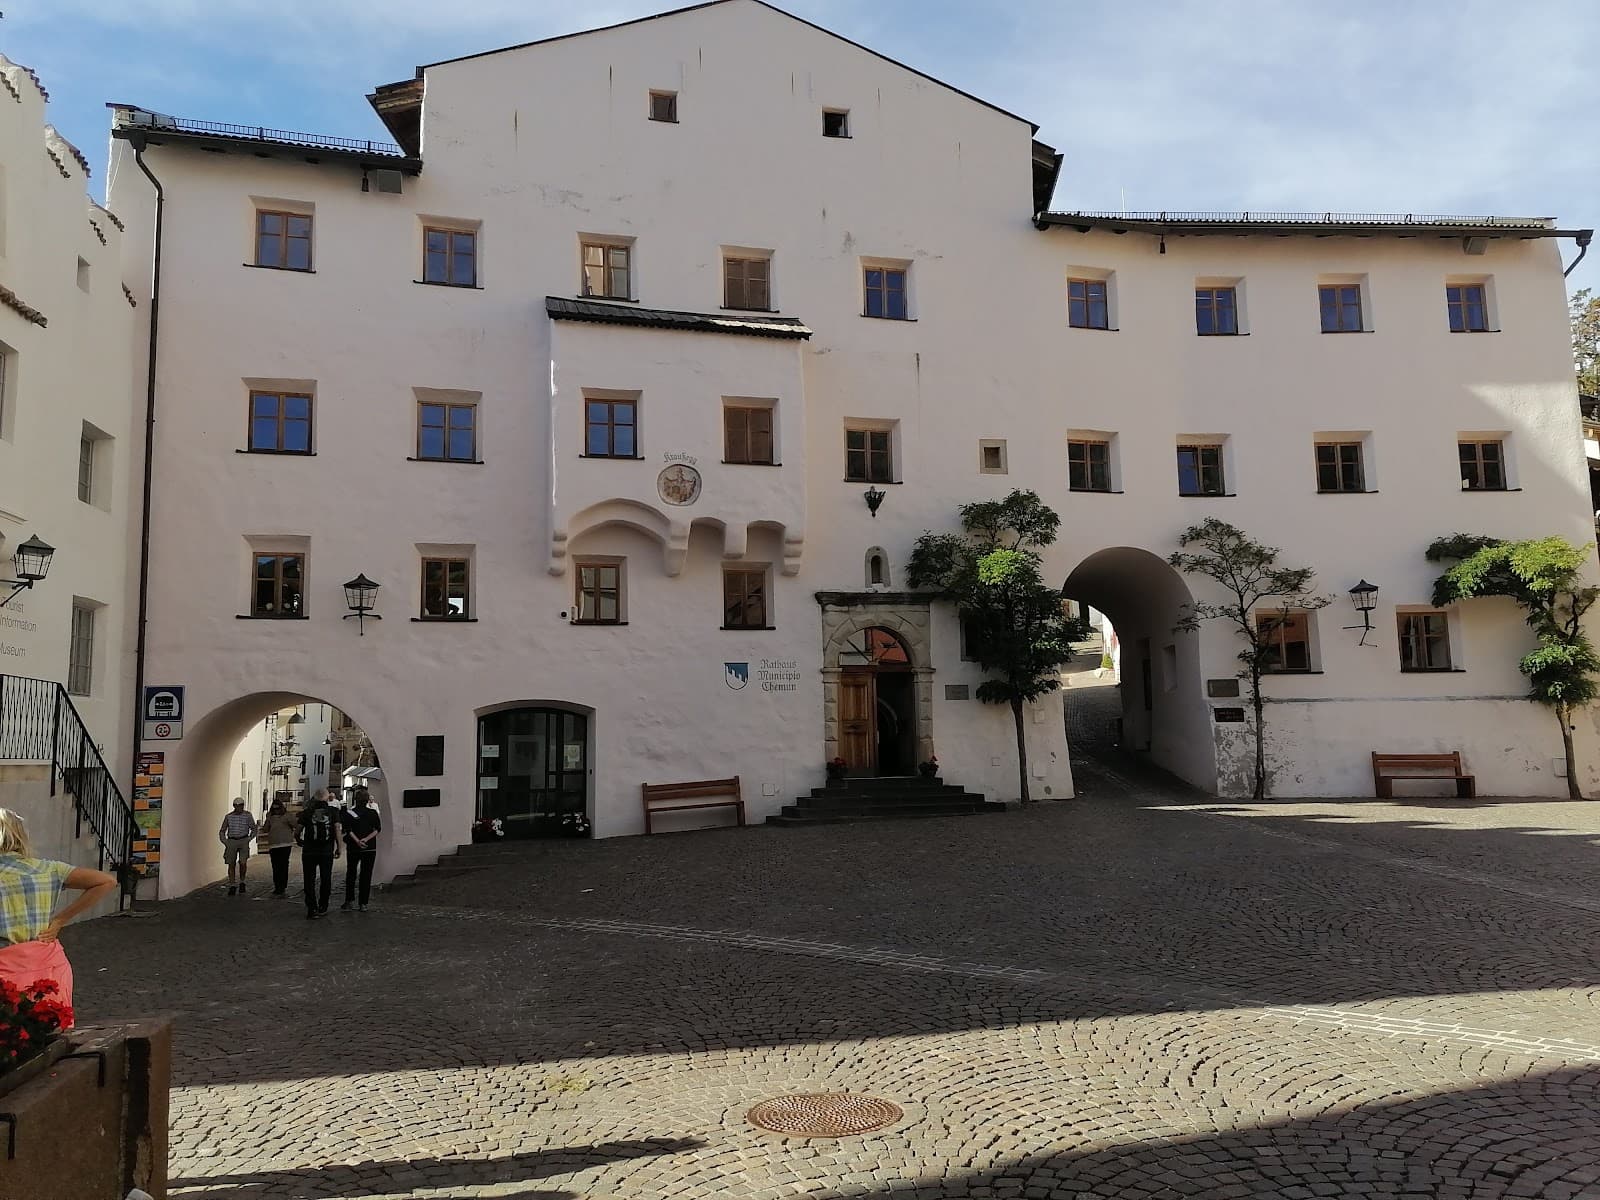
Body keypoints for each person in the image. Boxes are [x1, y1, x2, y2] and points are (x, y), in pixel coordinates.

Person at [0, 808, 117, 1022]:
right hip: (49, 966)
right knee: (52, 1036)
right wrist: (60, 920)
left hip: (5, 971)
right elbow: (106, 881)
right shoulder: (48, 869)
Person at [295, 790, 341, 920]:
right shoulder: (333, 812)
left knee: (309, 879)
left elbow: (297, 831)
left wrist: (299, 840)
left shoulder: (307, 812)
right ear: (327, 798)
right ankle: (323, 906)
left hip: (309, 850)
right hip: (326, 851)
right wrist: (339, 847)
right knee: (326, 878)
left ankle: (312, 908)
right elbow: (337, 829)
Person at [340, 789, 381, 912]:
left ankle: (349, 900)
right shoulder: (373, 813)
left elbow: (348, 830)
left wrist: (357, 841)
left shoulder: (349, 813)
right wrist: (366, 839)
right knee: (366, 875)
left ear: (355, 800)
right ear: (367, 800)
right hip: (370, 848)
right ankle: (363, 903)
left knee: (351, 873)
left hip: (354, 847)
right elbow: (377, 829)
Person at [217, 797, 258, 896]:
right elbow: (222, 830)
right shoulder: (229, 817)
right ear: (234, 806)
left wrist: (250, 838)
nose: (239, 808)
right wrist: (225, 841)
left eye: (241, 806)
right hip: (232, 840)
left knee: (243, 862)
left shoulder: (248, 816)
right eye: (237, 806)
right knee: (231, 863)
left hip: (243, 840)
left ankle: (242, 881)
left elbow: (253, 828)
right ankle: (232, 884)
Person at [259, 798, 296, 897]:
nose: (276, 811)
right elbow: (265, 829)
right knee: (275, 866)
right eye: (274, 809)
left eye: (277, 808)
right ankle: (277, 886)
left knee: (283, 865)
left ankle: (282, 886)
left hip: (285, 844)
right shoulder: (270, 817)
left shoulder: (287, 815)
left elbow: (295, 825)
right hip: (274, 844)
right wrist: (267, 819)